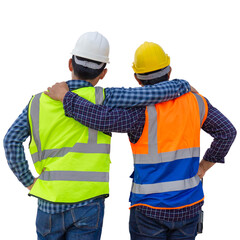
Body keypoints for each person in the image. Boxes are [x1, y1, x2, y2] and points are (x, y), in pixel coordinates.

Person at [3, 33, 191, 240]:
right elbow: (149, 94)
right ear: (103, 73)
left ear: (69, 64)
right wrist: (182, 85)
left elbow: (10, 140)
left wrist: (29, 182)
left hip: (49, 201)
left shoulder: (38, 102)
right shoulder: (105, 97)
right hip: (89, 203)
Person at [45, 41, 237, 240]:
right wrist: (204, 167)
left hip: (148, 210)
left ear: (137, 78)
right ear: (169, 71)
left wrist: (67, 98)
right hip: (189, 206)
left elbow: (101, 118)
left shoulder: (139, 111)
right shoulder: (197, 102)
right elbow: (227, 132)